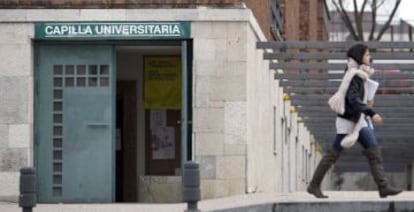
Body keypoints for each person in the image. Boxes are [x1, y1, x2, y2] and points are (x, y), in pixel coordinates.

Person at [306, 44, 402, 198]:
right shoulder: (353, 76)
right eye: (367, 55)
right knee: (333, 154)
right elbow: (354, 100)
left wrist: (367, 104)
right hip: (349, 122)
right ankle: (314, 185)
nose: (370, 58)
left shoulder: (360, 75)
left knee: (373, 150)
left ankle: (383, 187)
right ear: (359, 57)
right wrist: (371, 113)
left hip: (358, 121)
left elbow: (357, 100)